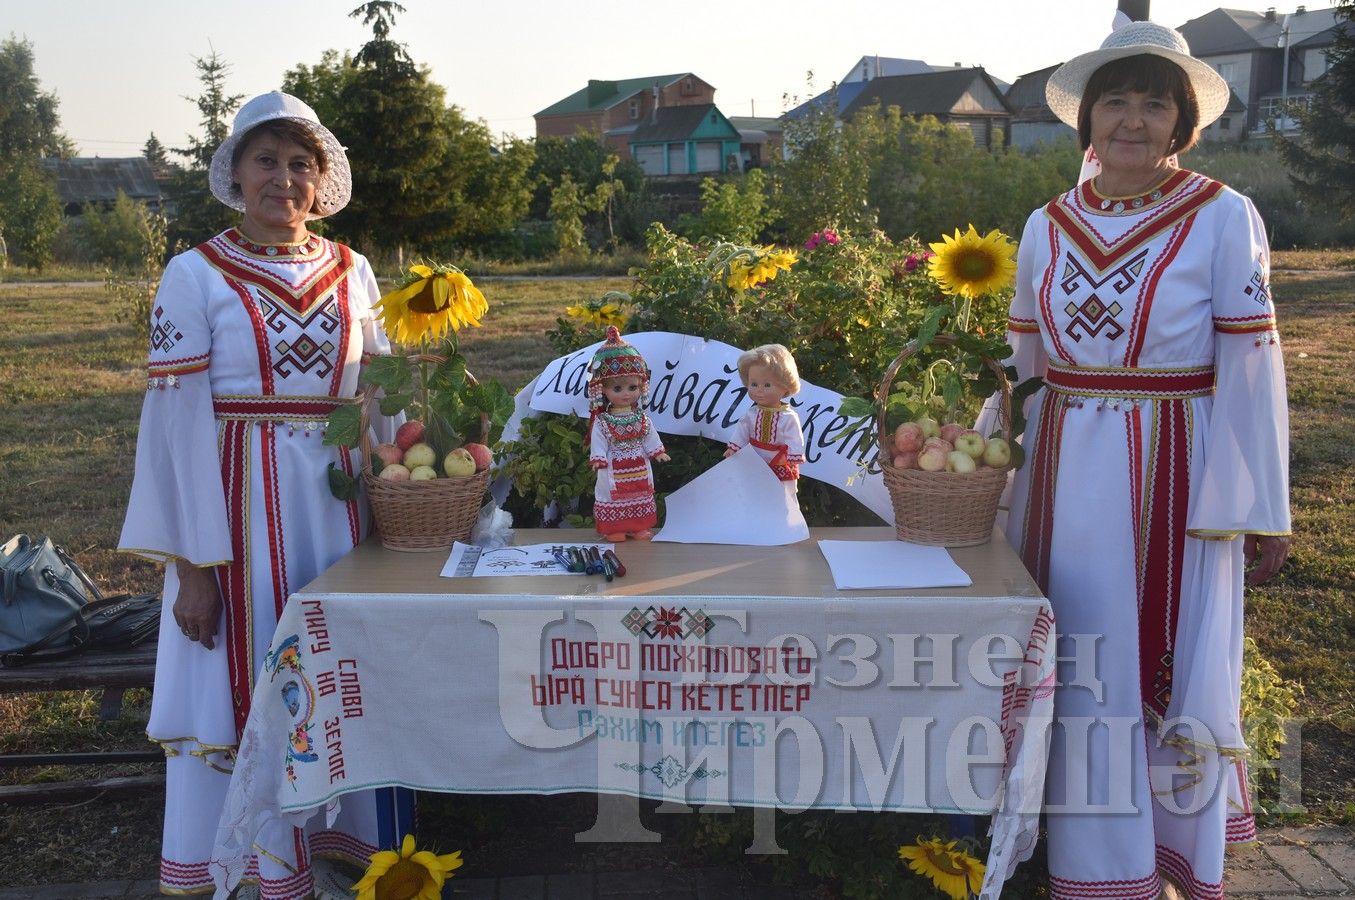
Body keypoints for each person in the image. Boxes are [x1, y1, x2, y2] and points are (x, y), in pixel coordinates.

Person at [999, 21, 1292, 900]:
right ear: (1087, 120)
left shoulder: (1220, 215)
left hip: (1173, 464)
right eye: (1115, 101)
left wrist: (1260, 505)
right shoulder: (1045, 225)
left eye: (1154, 103)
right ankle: (1083, 863)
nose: (1132, 119)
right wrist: (992, 466)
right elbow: (1023, 365)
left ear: (1181, 122)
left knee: (1149, 658)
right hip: (1057, 466)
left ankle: (1154, 858)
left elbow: (1252, 365)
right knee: (1073, 657)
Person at [119, 92, 404, 899]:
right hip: (235, 508)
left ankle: (340, 853)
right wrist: (194, 567)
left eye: (300, 165)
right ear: (236, 174)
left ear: (322, 180)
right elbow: (174, 429)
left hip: (340, 509)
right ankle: (259, 865)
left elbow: (381, 397)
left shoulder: (353, 269)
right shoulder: (194, 272)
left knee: (340, 671)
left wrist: (406, 489)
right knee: (246, 675)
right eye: (267, 161)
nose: (285, 179)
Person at [586, 326, 669, 540]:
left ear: (641, 387)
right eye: (617, 389)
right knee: (612, 494)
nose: (626, 394)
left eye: (632, 388)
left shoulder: (641, 418)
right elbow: (598, 441)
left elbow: (649, 435)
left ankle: (639, 525)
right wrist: (598, 457)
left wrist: (656, 451)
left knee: (642, 494)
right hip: (613, 466)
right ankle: (615, 528)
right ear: (602, 389)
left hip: (639, 466)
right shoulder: (603, 421)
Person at [725, 343, 805, 500]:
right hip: (754, 458)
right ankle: (756, 516)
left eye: (767, 385)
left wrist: (793, 457)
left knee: (782, 493)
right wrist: (734, 447)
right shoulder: (752, 413)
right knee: (752, 489)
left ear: (786, 385)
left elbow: (795, 439)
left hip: (780, 461)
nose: (759, 390)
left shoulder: (788, 417)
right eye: (754, 384)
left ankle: (786, 519)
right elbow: (743, 430)